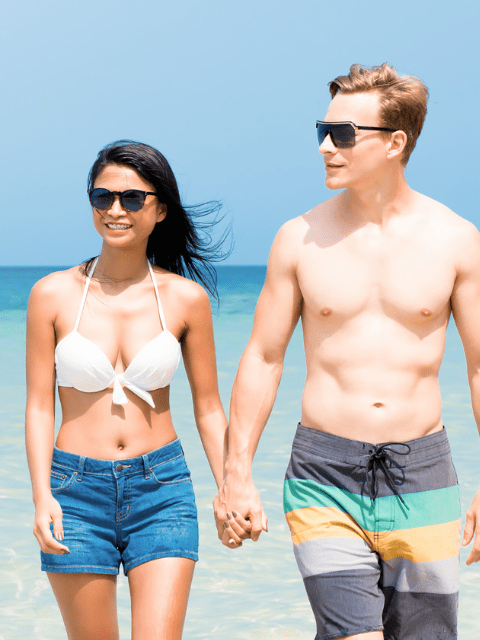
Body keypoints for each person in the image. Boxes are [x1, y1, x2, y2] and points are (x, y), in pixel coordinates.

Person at [213, 63, 480, 640]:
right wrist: (237, 473)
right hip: (322, 471)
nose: (325, 148)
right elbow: (263, 357)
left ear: (395, 143)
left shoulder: (456, 240)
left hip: (424, 473)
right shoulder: (299, 238)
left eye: (342, 135)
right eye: (322, 132)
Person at [25, 140, 228, 640]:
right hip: (75, 491)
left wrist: (231, 485)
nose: (116, 210)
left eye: (132, 199)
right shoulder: (51, 294)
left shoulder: (185, 300)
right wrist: (42, 495)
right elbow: (37, 407)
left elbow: (208, 408)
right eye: (103, 198)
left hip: (162, 490)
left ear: (159, 209)